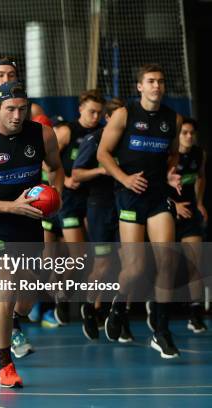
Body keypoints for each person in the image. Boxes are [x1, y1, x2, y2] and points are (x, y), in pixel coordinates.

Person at [0, 81, 63, 387]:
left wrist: (54, 197)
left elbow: (57, 168)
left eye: (22, 109)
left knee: (26, 299)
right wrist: (10, 207)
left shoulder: (42, 134)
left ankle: (4, 312)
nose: (17, 115)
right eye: (10, 109)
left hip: (30, 222)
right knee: (7, 289)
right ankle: (5, 366)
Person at [98, 63, 183, 358]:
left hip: (158, 196)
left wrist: (171, 172)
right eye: (150, 81)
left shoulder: (173, 118)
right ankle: (119, 306)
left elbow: (173, 152)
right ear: (140, 86)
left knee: (167, 260)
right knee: (134, 268)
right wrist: (124, 179)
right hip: (130, 196)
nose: (156, 86)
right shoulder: (124, 115)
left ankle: (161, 331)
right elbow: (102, 153)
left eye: (160, 81)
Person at [72, 98, 126, 341]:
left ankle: (116, 313)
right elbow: (77, 173)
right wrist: (103, 170)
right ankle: (88, 306)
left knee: (129, 263)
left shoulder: (128, 140)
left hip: (124, 205)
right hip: (100, 206)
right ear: (108, 119)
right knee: (103, 264)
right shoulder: (94, 140)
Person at [53, 90, 105, 324]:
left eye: (99, 113)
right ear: (80, 109)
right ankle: (62, 298)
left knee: (99, 256)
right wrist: (63, 180)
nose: (96, 116)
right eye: (91, 111)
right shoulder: (67, 132)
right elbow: (46, 162)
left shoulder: (103, 133)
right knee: (78, 256)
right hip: (70, 202)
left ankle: (93, 309)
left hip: (93, 199)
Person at [169, 118, 207, 333]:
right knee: (167, 265)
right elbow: (157, 183)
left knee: (195, 262)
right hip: (167, 212)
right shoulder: (168, 155)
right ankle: (156, 309)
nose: (189, 137)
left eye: (192, 133)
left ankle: (195, 313)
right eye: (184, 133)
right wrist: (174, 205)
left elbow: (200, 178)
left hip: (190, 213)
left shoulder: (199, 153)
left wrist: (199, 202)